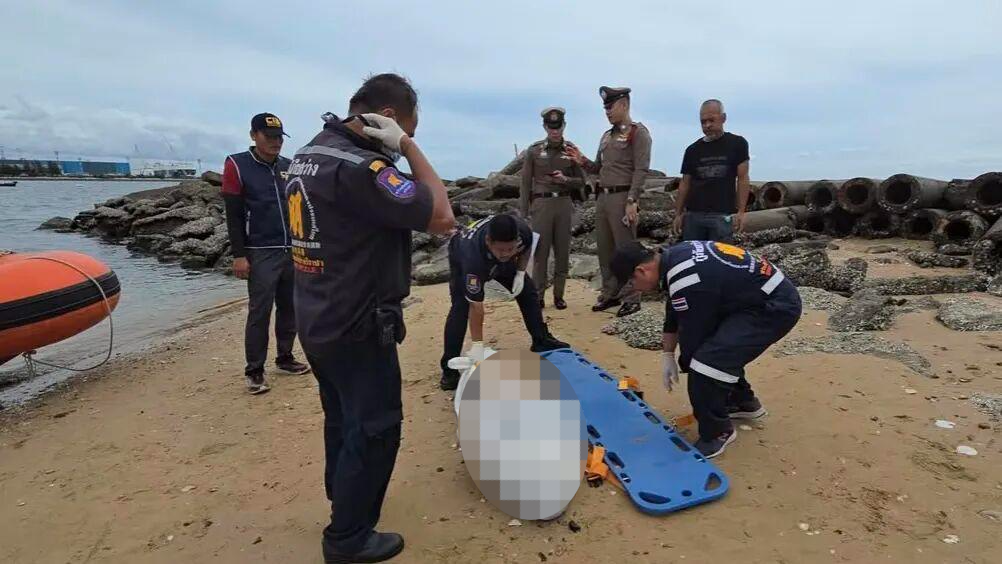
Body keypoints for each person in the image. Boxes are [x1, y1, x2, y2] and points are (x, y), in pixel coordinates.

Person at [285, 73, 455, 563]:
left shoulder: (308, 153)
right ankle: (349, 537)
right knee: (377, 426)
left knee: (341, 417)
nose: (405, 143)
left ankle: (343, 497)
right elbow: (442, 217)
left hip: (315, 312)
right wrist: (408, 148)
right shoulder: (363, 167)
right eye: (408, 131)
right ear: (390, 118)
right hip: (357, 320)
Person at [610, 240, 801, 458]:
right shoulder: (675, 257)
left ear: (641, 271)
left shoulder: (687, 279)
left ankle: (717, 432)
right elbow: (674, 309)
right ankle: (742, 401)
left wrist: (687, 366)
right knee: (717, 352)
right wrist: (667, 353)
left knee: (706, 364)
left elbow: (694, 338)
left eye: (632, 283)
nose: (635, 289)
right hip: (755, 296)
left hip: (774, 308)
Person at [221, 112, 310, 395]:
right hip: (260, 251)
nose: (275, 142)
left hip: (291, 249)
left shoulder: (288, 166)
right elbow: (234, 215)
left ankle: (285, 357)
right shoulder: (237, 164)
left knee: (290, 307)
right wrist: (239, 255)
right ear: (253, 135)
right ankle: (255, 370)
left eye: (279, 137)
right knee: (260, 312)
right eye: (269, 137)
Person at [438, 213, 570, 391]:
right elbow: (476, 306)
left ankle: (541, 340)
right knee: (460, 308)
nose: (506, 254)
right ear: (488, 241)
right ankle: (449, 369)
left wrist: (520, 273)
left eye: (510, 249)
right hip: (462, 256)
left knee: (528, 290)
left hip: (494, 256)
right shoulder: (472, 258)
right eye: (502, 250)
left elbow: (526, 247)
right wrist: (478, 346)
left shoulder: (522, 233)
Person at [564, 86, 651, 317]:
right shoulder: (606, 136)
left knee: (627, 250)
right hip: (602, 197)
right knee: (605, 251)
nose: (607, 112)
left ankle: (632, 297)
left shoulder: (638, 133)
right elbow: (598, 168)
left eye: (611, 107)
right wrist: (581, 160)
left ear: (624, 104)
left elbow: (641, 169)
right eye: (605, 108)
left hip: (622, 197)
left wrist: (632, 200)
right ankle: (610, 293)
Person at [519, 107, 587, 310]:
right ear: (545, 127)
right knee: (540, 253)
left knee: (562, 252)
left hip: (563, 204)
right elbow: (525, 183)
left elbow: (582, 181)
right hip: (541, 205)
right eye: (551, 127)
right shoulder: (534, 151)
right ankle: (538, 295)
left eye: (558, 127)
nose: (555, 131)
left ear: (564, 126)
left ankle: (559, 296)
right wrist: (524, 213)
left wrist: (565, 179)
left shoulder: (571, 150)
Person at [672, 99, 751, 243]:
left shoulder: (737, 144)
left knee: (719, 254)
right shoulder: (692, 150)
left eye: (711, 120)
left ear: (723, 118)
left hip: (722, 214)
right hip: (694, 215)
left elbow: (743, 178)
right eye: (703, 122)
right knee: (693, 254)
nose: (707, 125)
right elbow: (685, 183)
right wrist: (678, 214)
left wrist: (741, 211)